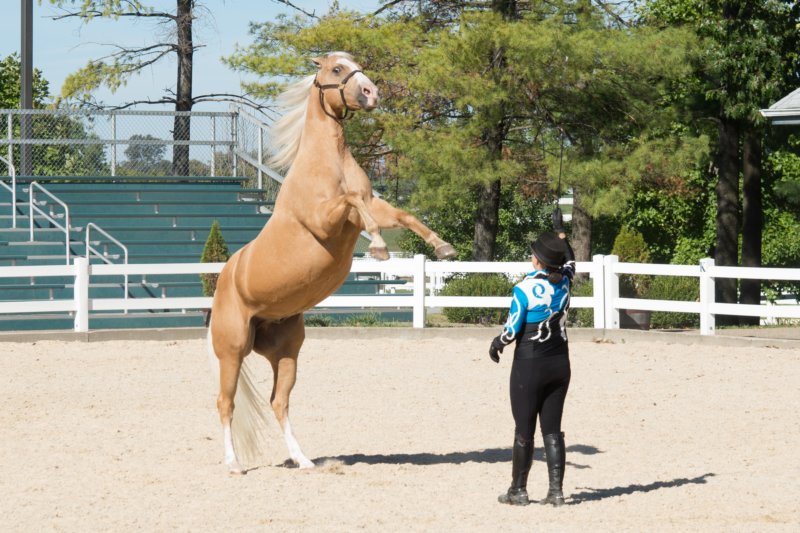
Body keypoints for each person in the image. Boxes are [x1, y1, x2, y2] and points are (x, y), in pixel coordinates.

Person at [490, 208, 575, 507]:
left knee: (524, 429)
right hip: (560, 364)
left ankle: (518, 490)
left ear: (537, 260)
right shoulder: (565, 281)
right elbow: (571, 261)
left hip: (530, 365)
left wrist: (496, 343)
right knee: (552, 429)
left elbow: (512, 329)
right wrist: (561, 234)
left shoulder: (524, 289)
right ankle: (556, 492)